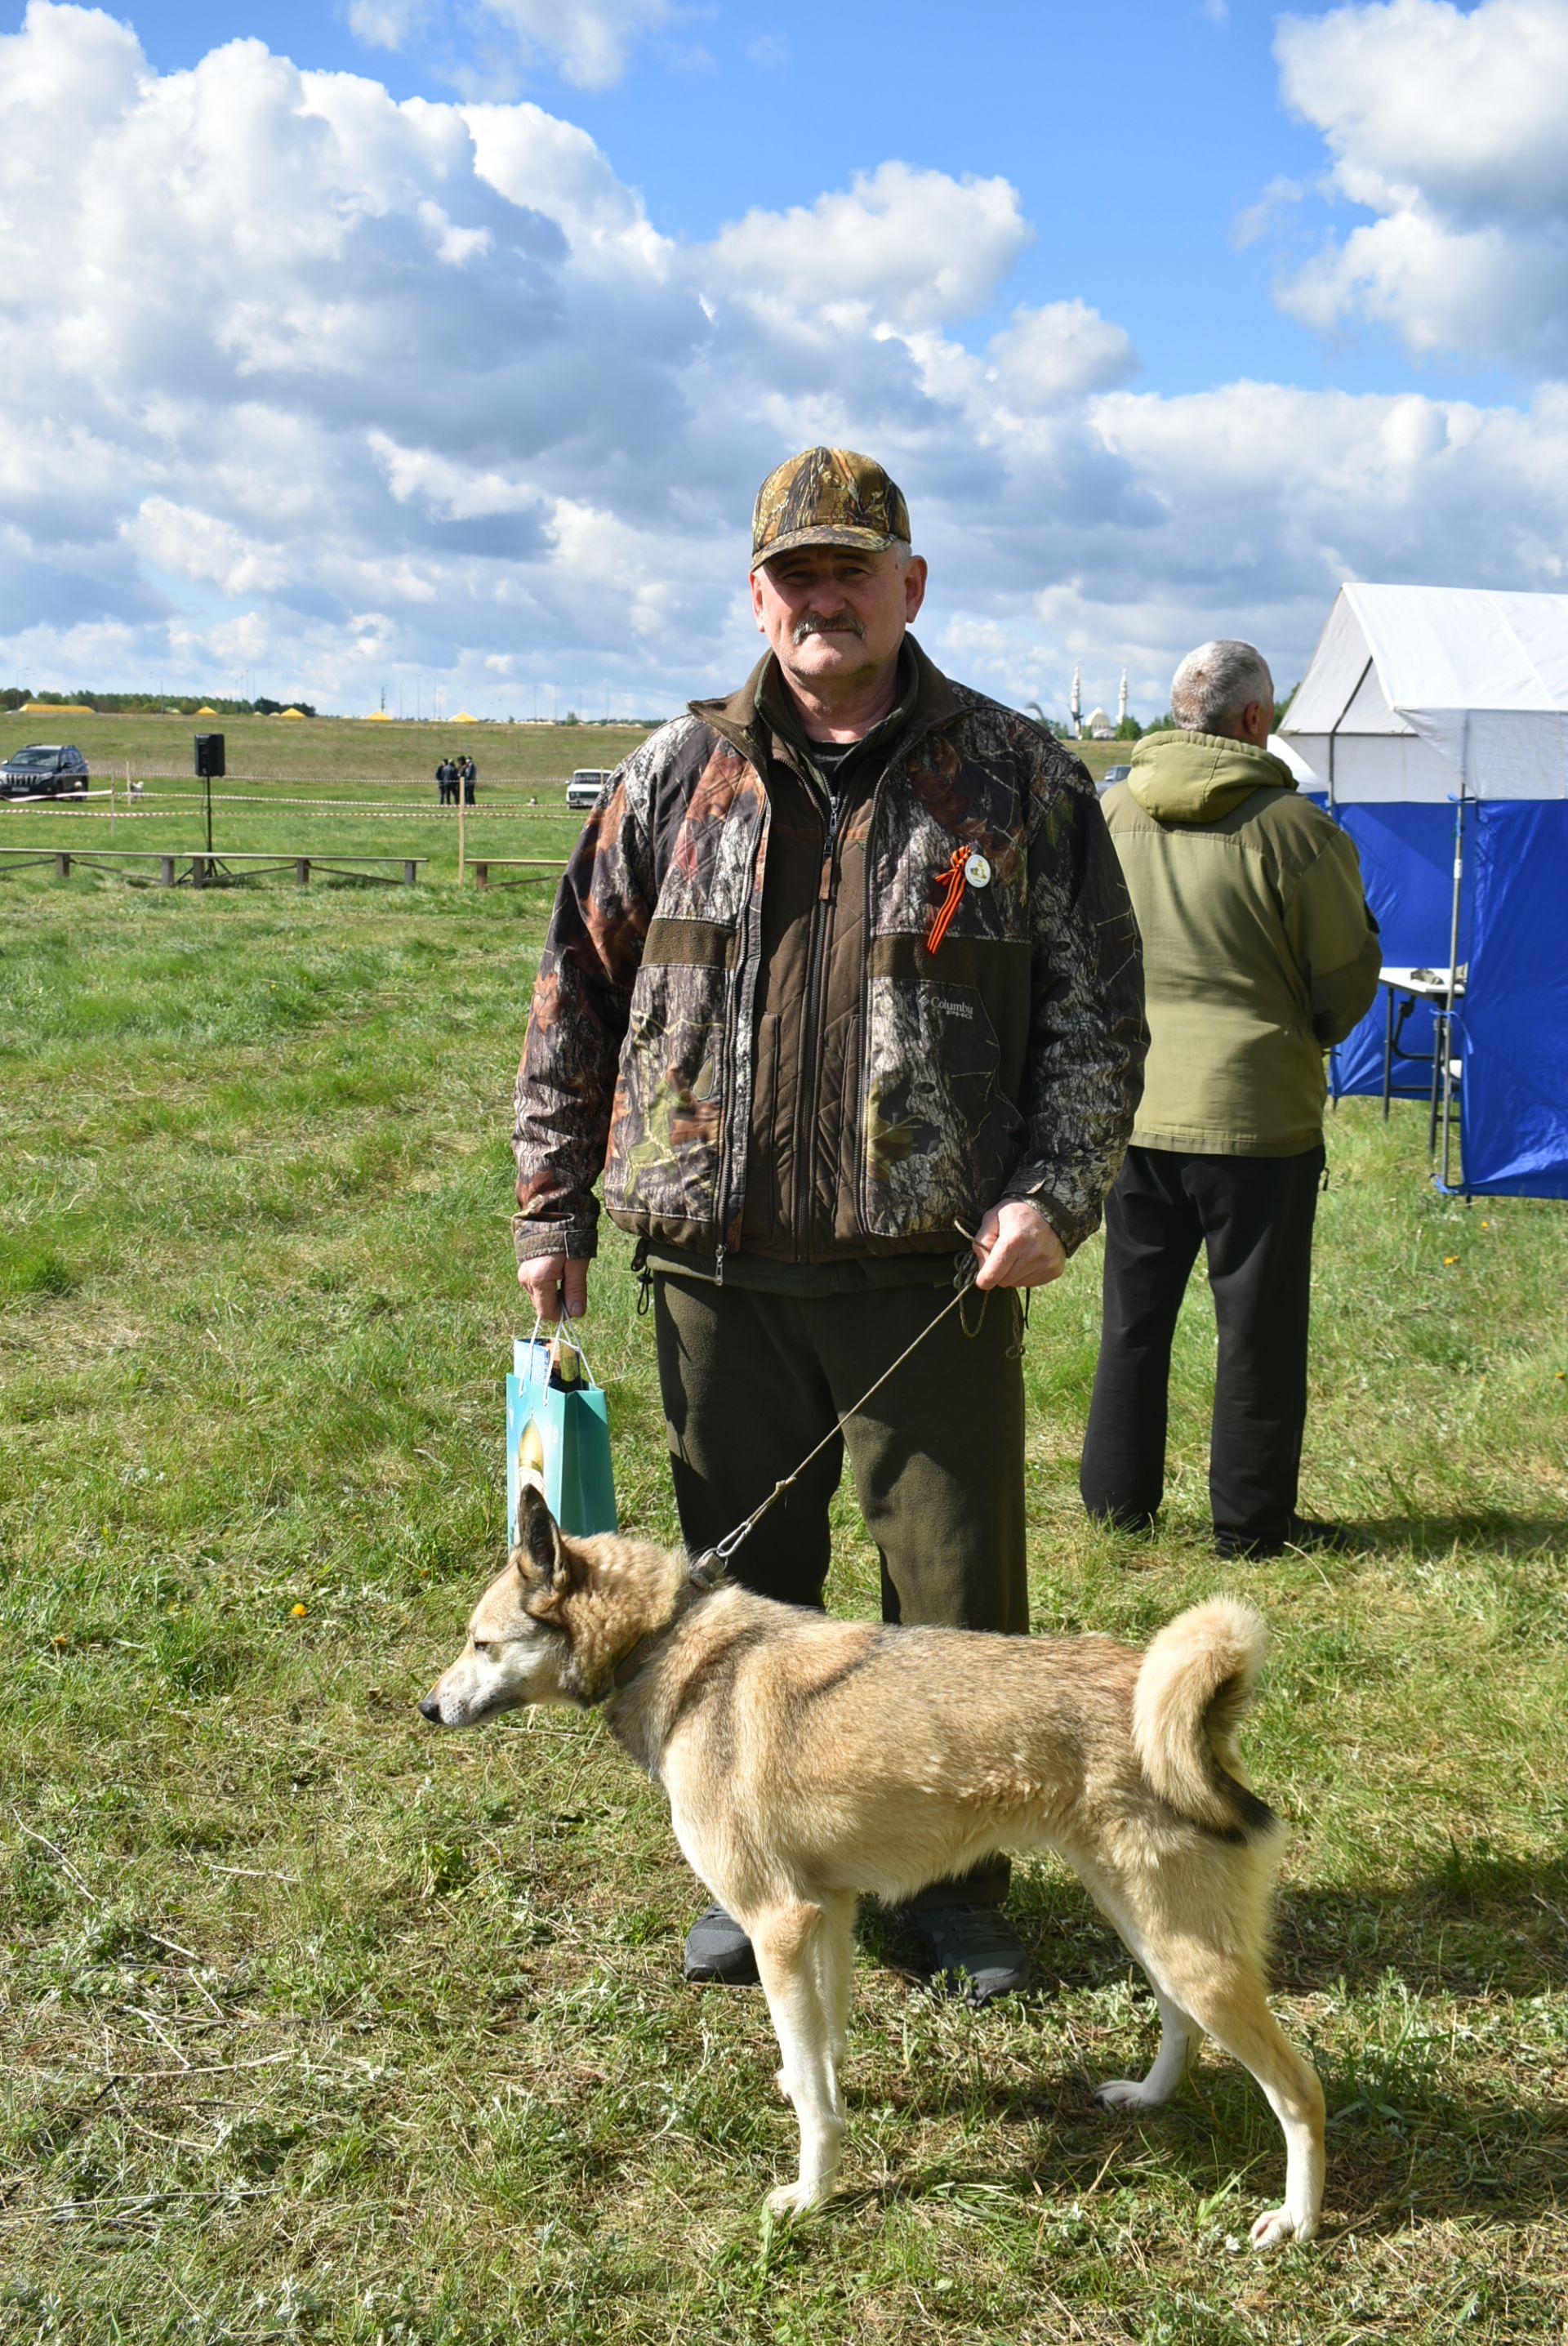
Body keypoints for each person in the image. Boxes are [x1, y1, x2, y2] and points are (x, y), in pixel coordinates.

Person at [511, 446, 1147, 2000]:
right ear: (759, 593)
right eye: (795, 573)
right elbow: (574, 993)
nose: (823, 597)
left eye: (852, 569)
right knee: (732, 1609)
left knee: (954, 1605)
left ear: (909, 586)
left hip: (929, 1276)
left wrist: (1055, 1194)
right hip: (712, 1272)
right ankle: (765, 1863)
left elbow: (1100, 1017)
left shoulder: (1019, 775)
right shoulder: (673, 774)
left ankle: (958, 1886)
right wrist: (551, 1199)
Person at [1080, 640, 1380, 1559]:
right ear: (1255, 721)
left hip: (1134, 1106)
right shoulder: (1295, 831)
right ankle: (1250, 1524)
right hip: (1257, 1114)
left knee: (1132, 1314)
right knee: (1257, 1326)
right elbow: (1344, 978)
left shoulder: (1109, 813)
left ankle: (1117, 1503)